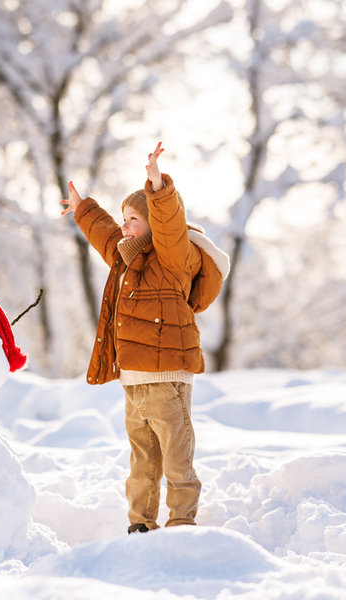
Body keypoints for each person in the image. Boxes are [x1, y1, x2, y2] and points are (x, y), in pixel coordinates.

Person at [61, 142, 230, 532]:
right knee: (142, 462)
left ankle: (182, 522)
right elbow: (106, 234)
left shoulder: (173, 258)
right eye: (124, 217)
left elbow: (169, 223)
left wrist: (157, 186)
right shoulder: (128, 258)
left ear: (154, 223)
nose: (125, 224)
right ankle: (141, 523)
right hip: (134, 381)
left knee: (175, 456)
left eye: (134, 217)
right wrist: (84, 208)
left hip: (167, 378)